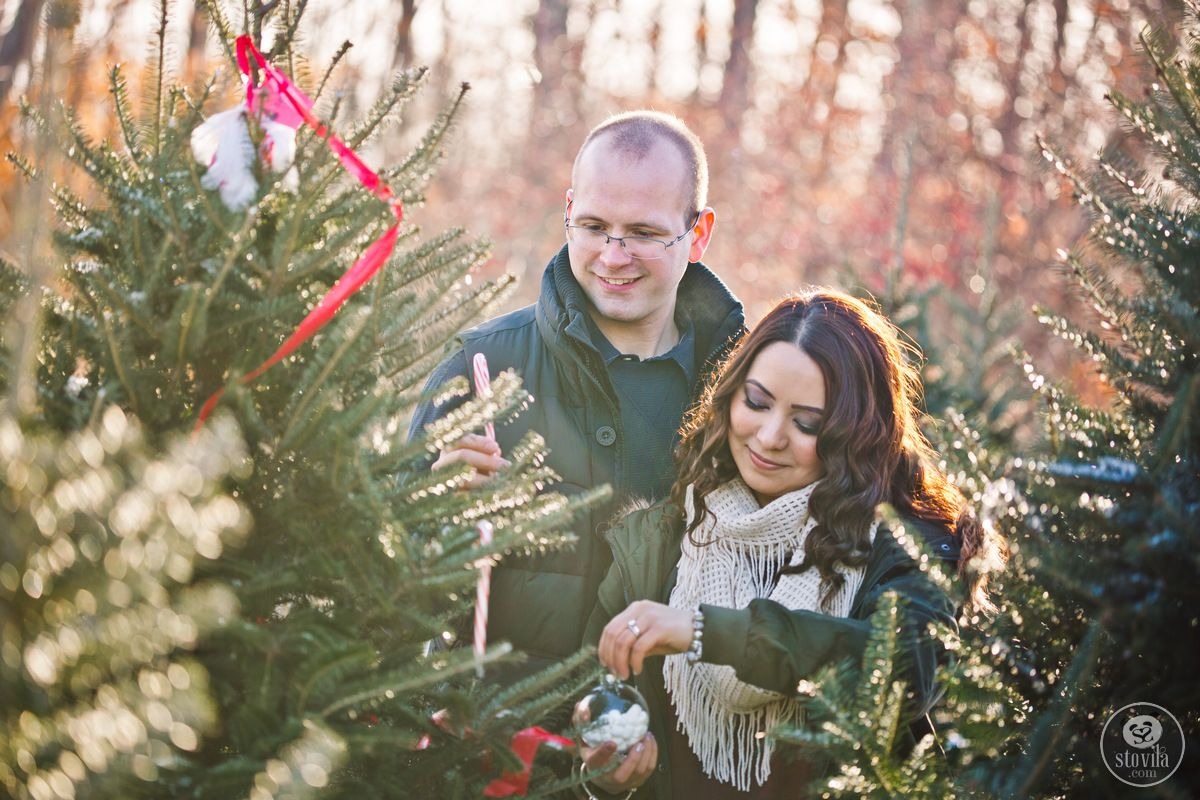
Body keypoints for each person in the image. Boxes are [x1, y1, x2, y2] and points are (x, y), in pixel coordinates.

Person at [580, 290, 1006, 798]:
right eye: (756, 402)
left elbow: (903, 669)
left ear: (857, 435)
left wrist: (702, 631)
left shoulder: (911, 546)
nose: (769, 436)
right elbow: (587, 711)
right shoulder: (660, 540)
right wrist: (607, 779)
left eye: (807, 423)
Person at [407, 111, 745, 679]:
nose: (614, 257)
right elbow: (384, 592)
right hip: (512, 752)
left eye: (643, 233)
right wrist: (432, 516)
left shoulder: (750, 394)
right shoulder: (481, 371)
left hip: (684, 755)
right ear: (568, 211)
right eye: (592, 226)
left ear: (699, 234)